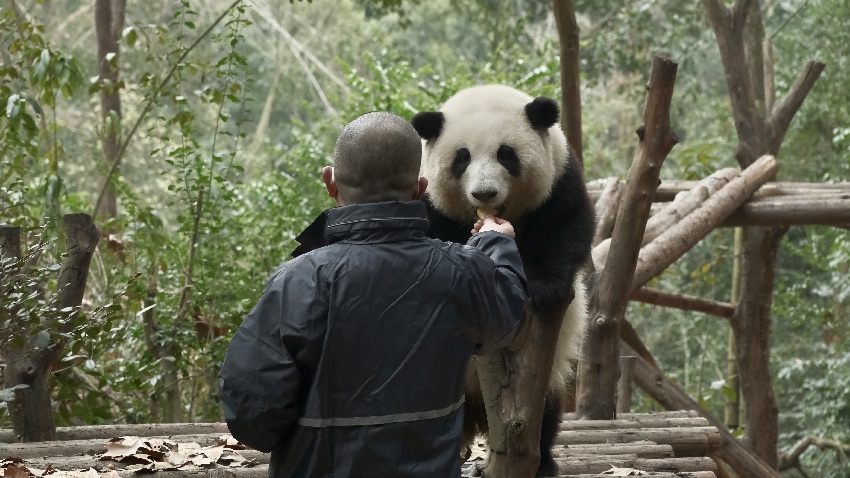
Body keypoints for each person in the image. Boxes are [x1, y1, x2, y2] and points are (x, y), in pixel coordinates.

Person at [218, 111, 528, 477]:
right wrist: (496, 244)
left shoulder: (298, 280)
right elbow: (510, 320)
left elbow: (251, 410)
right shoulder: (461, 271)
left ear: (330, 182)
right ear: (420, 189)